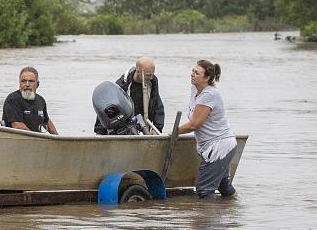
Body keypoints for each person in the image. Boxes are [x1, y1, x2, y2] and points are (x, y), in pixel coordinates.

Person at [177, 59, 236, 199]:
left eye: (196, 73)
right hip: (215, 145)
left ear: (207, 78)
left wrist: (174, 131)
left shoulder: (209, 95)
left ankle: (206, 220)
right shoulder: (195, 89)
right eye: (192, 71)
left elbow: (194, 124)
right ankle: (234, 211)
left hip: (219, 146)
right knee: (224, 186)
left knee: (204, 190)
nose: (192, 74)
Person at [94, 56, 165, 135]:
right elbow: (106, 106)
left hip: (143, 122)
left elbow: (157, 105)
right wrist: (99, 131)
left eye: (152, 74)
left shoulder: (152, 82)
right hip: (125, 123)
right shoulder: (121, 85)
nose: (151, 77)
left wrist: (157, 128)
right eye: (148, 75)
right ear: (138, 72)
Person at [1, 66, 58, 135]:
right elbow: (17, 126)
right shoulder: (13, 99)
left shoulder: (41, 100)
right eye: (23, 81)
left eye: (31, 81)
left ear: (37, 84)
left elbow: (46, 121)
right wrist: (37, 139)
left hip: (35, 139)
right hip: (15, 139)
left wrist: (58, 139)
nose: (27, 84)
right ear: (19, 83)